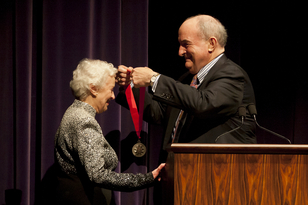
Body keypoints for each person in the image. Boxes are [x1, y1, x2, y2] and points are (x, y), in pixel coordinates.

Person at [115, 14, 257, 159]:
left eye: (186, 44)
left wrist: (153, 78)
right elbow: (159, 113)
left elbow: (204, 103)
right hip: (181, 171)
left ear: (211, 44)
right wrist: (130, 85)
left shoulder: (232, 74)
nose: (180, 52)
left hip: (217, 171)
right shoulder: (187, 79)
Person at [47, 59, 165, 205]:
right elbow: (98, 175)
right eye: (110, 89)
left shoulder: (74, 112)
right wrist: (148, 178)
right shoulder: (83, 121)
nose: (113, 96)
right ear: (93, 89)